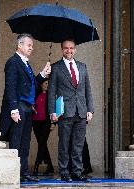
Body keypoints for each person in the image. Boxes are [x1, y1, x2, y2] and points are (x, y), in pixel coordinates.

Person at [0, 33, 51, 182]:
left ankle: (24, 173)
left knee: (25, 141)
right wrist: (13, 109)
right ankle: (14, 173)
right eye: (29, 45)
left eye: (32, 46)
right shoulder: (13, 62)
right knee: (16, 141)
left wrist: (43, 73)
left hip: (28, 108)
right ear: (19, 45)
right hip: (19, 108)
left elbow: (33, 84)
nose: (31, 48)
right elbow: (10, 87)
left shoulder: (25, 63)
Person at [48, 39, 94, 182]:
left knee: (78, 145)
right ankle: (64, 172)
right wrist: (52, 111)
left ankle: (77, 171)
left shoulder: (82, 66)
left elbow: (87, 90)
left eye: (72, 48)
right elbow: (51, 92)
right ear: (62, 49)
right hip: (64, 112)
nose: (69, 51)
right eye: (66, 48)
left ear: (75, 49)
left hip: (81, 111)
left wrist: (90, 110)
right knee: (64, 144)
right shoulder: (55, 67)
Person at [32, 79, 54, 176]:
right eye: (45, 83)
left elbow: (54, 110)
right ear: (41, 85)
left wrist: (54, 123)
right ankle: (50, 167)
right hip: (36, 122)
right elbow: (31, 105)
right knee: (42, 144)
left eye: (48, 84)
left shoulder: (51, 95)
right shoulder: (36, 94)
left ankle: (36, 166)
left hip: (46, 122)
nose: (47, 85)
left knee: (41, 144)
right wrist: (32, 107)